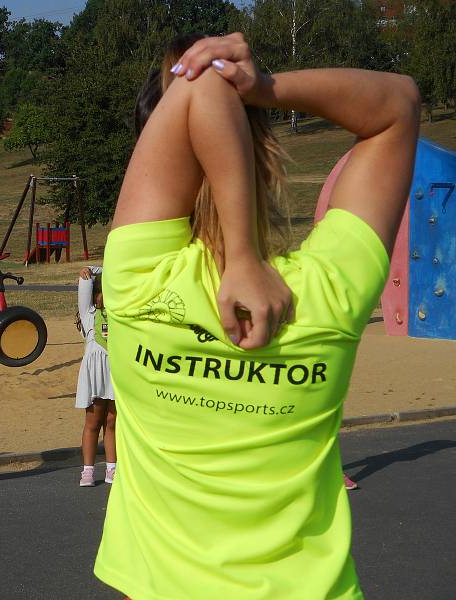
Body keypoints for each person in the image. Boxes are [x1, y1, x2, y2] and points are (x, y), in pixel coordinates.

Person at [93, 32, 420, 599]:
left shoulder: (136, 278)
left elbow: (199, 95)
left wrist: (239, 254)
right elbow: (399, 105)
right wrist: (266, 89)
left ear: (147, 154)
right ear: (263, 156)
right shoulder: (327, 292)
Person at [75, 266, 116, 487]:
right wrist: (92, 270)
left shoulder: (120, 315)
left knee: (112, 421)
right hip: (95, 375)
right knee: (93, 422)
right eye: (101, 292)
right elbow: (85, 280)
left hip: (115, 372)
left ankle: (112, 468)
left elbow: (119, 270)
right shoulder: (88, 314)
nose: (105, 297)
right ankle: (88, 471)